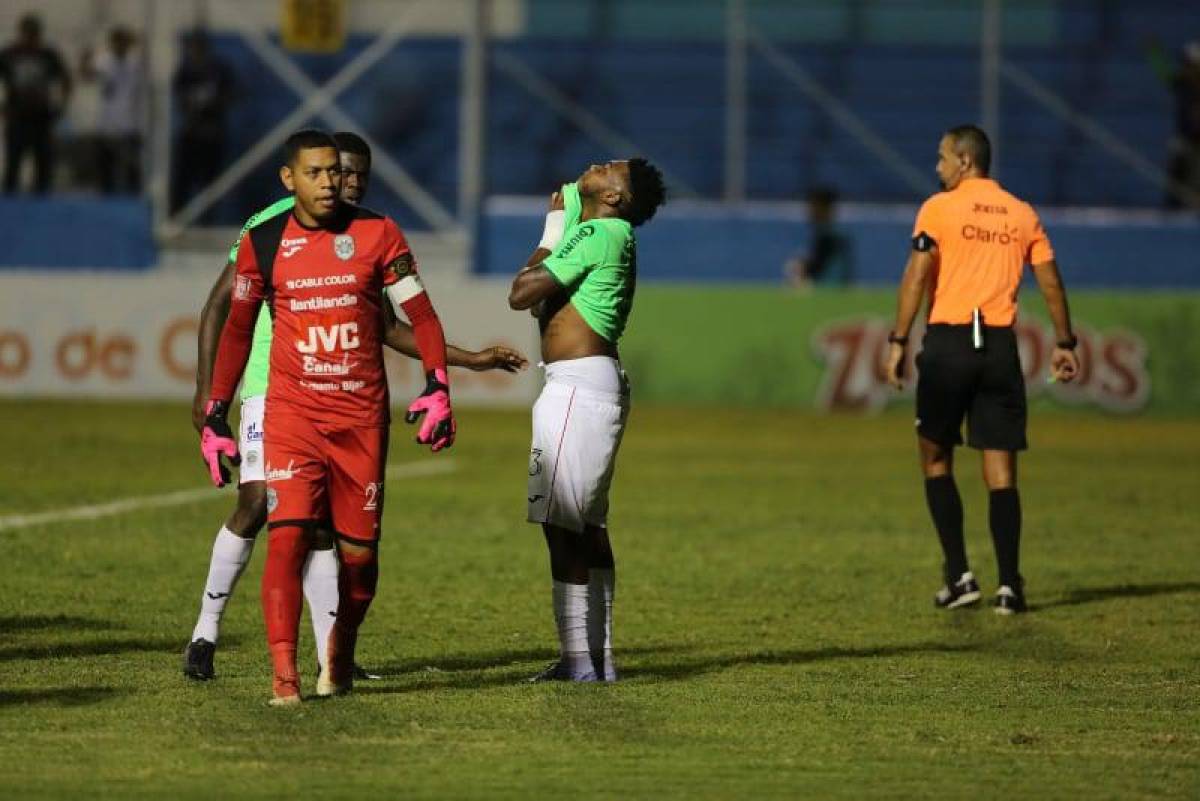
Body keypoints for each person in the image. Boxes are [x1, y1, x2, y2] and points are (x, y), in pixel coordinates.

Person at [184, 131, 527, 684]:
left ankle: (330, 656)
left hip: (347, 402)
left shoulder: (370, 231)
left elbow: (391, 326)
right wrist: (208, 394)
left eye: (358, 177)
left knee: (322, 533)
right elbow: (222, 304)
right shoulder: (271, 227)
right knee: (257, 504)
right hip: (271, 389)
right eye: (339, 173)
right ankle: (206, 633)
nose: (347, 184)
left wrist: (460, 363)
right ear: (306, 174)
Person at [884, 125, 1081, 615]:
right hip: (998, 347)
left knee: (934, 458)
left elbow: (917, 274)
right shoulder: (1021, 213)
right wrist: (1064, 341)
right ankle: (1010, 586)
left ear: (965, 161)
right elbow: (1051, 282)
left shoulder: (939, 208)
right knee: (1002, 472)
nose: (938, 167)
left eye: (942, 157)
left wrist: (898, 339)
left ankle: (959, 576)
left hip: (950, 342)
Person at [508, 159, 666, 681]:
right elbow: (539, 302)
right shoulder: (606, 232)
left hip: (576, 386)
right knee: (589, 526)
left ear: (617, 196)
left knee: (562, 526)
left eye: (609, 168)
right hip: (591, 381)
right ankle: (599, 658)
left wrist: (555, 227)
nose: (595, 166)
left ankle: (579, 662)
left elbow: (521, 293)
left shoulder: (600, 230)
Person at [0, 14, 71, 193]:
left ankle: (41, 205)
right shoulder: (9, 54)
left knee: (43, 165)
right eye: (28, 34)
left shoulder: (47, 55)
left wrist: (62, 106)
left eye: (34, 34)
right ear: (21, 33)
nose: (31, 38)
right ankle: (10, 206)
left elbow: (66, 80)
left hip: (42, 118)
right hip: (17, 117)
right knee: (13, 165)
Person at [171, 29, 234, 216]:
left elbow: (232, 95)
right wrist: (192, 102)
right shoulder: (185, 72)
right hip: (191, 133)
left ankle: (208, 218)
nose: (196, 53)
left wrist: (214, 101)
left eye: (200, 48)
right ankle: (178, 216)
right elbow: (179, 96)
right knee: (183, 181)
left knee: (210, 184)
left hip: (212, 134)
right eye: (193, 49)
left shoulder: (219, 71)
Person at [80, 26, 144, 193]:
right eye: (118, 43)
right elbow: (87, 76)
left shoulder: (134, 61)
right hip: (106, 125)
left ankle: (132, 201)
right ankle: (105, 198)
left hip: (130, 125)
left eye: (124, 43)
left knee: (132, 172)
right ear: (112, 43)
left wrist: (140, 41)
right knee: (105, 171)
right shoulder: (104, 61)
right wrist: (85, 58)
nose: (121, 47)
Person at [784, 187, 854, 288]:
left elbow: (819, 273)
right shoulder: (827, 236)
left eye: (814, 206)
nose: (810, 211)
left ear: (828, 209)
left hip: (829, 294)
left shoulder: (831, 238)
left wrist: (800, 268)